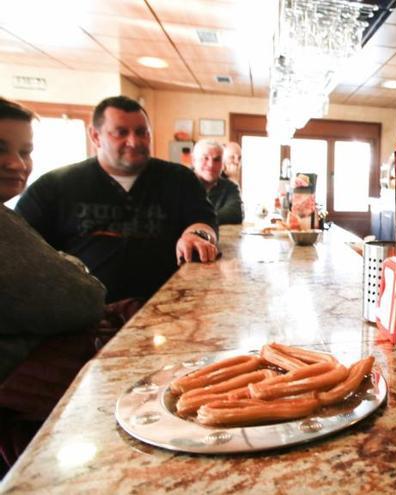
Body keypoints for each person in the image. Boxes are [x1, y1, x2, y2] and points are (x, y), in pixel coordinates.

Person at [15, 96, 219, 303]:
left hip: (166, 306)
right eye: (121, 133)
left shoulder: (179, 178)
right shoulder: (54, 186)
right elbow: (20, 245)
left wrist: (196, 235)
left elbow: (203, 220)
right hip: (86, 314)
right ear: (95, 136)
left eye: (142, 132)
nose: (134, 141)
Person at [0, 97, 105, 474]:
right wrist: (71, 266)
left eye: (25, 151)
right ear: (96, 137)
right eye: (2, 149)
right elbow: (81, 297)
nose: (17, 163)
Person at [193, 139, 243, 225]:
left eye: (217, 160)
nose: (211, 164)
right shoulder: (180, 183)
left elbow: (236, 213)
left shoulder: (230, 187)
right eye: (205, 158)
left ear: (222, 164)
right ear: (194, 161)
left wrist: (195, 219)